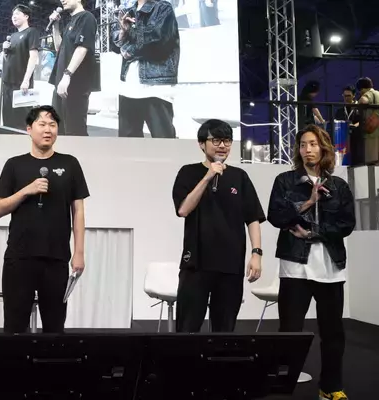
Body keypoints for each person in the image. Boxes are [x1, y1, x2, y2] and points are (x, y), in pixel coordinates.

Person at [267, 125, 355, 400]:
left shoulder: (339, 186)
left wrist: (316, 233)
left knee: (333, 334)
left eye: (313, 144)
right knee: (289, 333)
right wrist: (309, 201)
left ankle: (330, 387)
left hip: (330, 268)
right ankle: (281, 387)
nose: (308, 149)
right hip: (295, 267)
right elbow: (276, 216)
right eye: (303, 144)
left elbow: (347, 224)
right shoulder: (285, 181)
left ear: (324, 148)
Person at [0, 105, 89, 333]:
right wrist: (27, 190)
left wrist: (79, 253)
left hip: (56, 258)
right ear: (29, 129)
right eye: (42, 124)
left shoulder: (70, 164)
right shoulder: (14, 165)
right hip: (20, 257)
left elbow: (78, 211)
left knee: (55, 327)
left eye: (53, 125)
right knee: (15, 326)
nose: (48, 130)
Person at [172, 119, 265, 332]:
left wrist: (256, 253)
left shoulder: (240, 177)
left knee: (224, 330)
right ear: (201, 144)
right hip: (196, 263)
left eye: (227, 141)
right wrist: (208, 177)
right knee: (187, 329)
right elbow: (183, 209)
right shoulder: (188, 172)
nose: (222, 146)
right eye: (216, 140)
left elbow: (252, 218)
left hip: (230, 264)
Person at [111, 0, 180, 138]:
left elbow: (158, 40)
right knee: (128, 145)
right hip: (128, 86)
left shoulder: (162, 7)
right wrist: (124, 32)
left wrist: (129, 48)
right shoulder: (128, 10)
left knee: (163, 143)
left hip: (156, 87)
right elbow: (115, 46)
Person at [48, 0, 98, 136]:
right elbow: (59, 48)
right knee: (59, 128)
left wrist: (67, 75)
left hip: (75, 83)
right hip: (61, 83)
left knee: (74, 130)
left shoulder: (86, 17)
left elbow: (82, 48)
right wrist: (55, 26)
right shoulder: (70, 22)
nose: (62, 0)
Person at [2, 4, 40, 130]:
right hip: (7, 83)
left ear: (26, 16)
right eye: (12, 15)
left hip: (21, 83)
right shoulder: (12, 37)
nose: (14, 17)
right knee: (8, 118)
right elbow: (7, 60)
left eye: (17, 14)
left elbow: (33, 57)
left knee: (22, 120)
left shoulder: (31, 32)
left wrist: (26, 80)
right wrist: (5, 51)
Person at [356, 77, 379, 165]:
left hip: (372, 134)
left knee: (371, 163)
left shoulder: (369, 93)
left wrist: (358, 105)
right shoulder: (378, 93)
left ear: (362, 89)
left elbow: (363, 101)